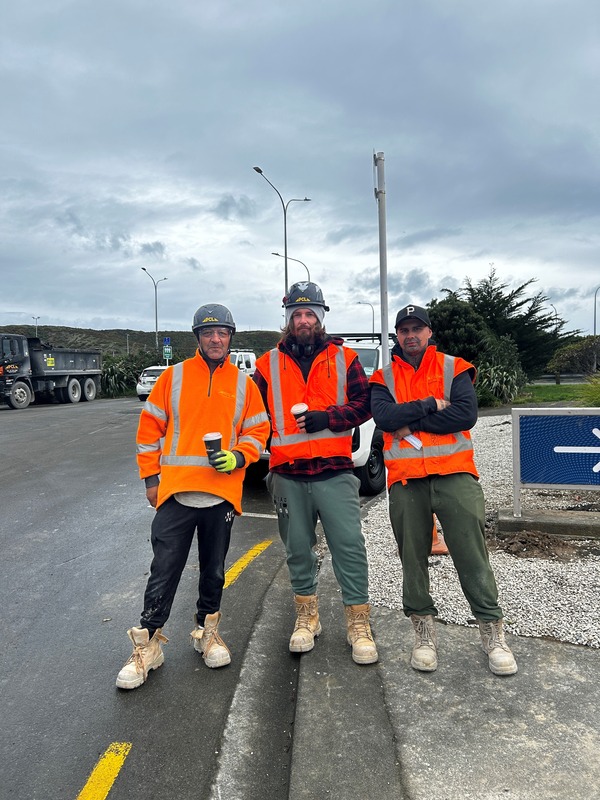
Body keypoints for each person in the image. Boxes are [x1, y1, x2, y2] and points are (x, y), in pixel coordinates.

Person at [116, 304, 270, 690]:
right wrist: (151, 479)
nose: (215, 339)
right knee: (164, 568)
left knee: (214, 569)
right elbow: (150, 429)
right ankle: (148, 644)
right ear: (197, 338)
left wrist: (239, 456)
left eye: (222, 332)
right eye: (208, 333)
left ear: (230, 337)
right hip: (176, 492)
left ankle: (207, 633)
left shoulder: (243, 384)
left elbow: (258, 432)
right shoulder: (174, 377)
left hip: (220, 494)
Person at [369, 304, 517, 676]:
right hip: (406, 480)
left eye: (417, 328)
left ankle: (492, 632)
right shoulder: (383, 377)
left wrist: (409, 420)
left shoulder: (454, 367)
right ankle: (423, 635)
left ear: (429, 332)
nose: (410, 335)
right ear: (397, 336)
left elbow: (465, 415)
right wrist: (430, 406)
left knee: (471, 553)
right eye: (404, 329)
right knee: (412, 559)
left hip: (455, 474)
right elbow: (384, 418)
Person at [253, 281, 378, 665]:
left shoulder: (345, 358)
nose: (303, 320)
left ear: (321, 317)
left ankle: (358, 623)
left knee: (349, 548)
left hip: (334, 472)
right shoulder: (266, 365)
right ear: (288, 319)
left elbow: (365, 405)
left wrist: (330, 417)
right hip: (288, 474)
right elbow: (251, 417)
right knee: (297, 550)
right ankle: (307, 617)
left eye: (310, 314)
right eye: (297, 314)